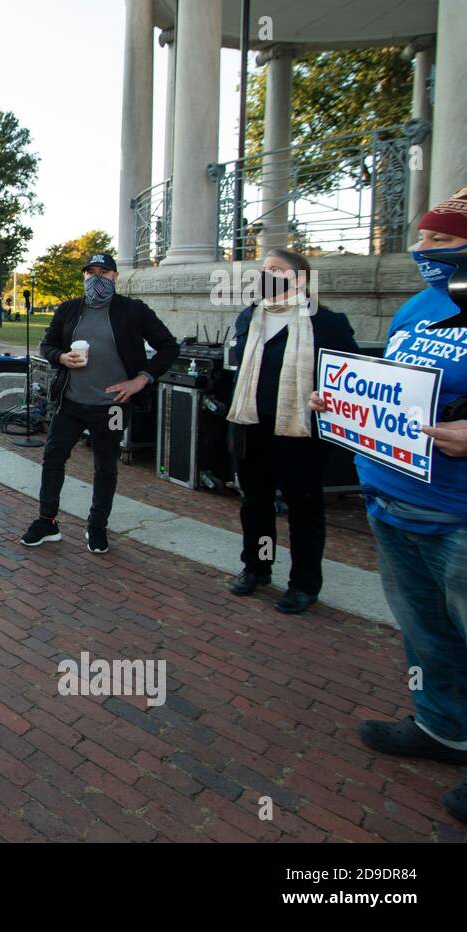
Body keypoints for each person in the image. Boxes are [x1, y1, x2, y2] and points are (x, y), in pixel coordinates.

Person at [308, 188, 467, 823]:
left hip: (459, 516)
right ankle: (443, 727)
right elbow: (390, 386)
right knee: (425, 632)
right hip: (393, 503)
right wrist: (342, 401)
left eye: (441, 239)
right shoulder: (420, 308)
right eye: (423, 237)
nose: (422, 248)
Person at [226, 249, 358, 613]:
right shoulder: (250, 317)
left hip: (300, 432)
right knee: (256, 503)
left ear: (300, 278)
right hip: (252, 428)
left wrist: (328, 395)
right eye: (263, 269)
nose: (266, 275)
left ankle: (303, 584)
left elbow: (350, 377)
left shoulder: (327, 322)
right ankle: (257, 566)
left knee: (303, 509)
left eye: (275, 270)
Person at [20, 251, 178, 553]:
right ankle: (46, 521)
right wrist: (61, 357)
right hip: (71, 401)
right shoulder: (68, 310)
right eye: (90, 273)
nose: (97, 279)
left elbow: (168, 347)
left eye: (103, 273)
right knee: (53, 459)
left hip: (113, 406)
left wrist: (141, 379)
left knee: (105, 466)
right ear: (84, 277)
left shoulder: (133, 311)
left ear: (115, 277)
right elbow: (48, 344)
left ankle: (97, 526)